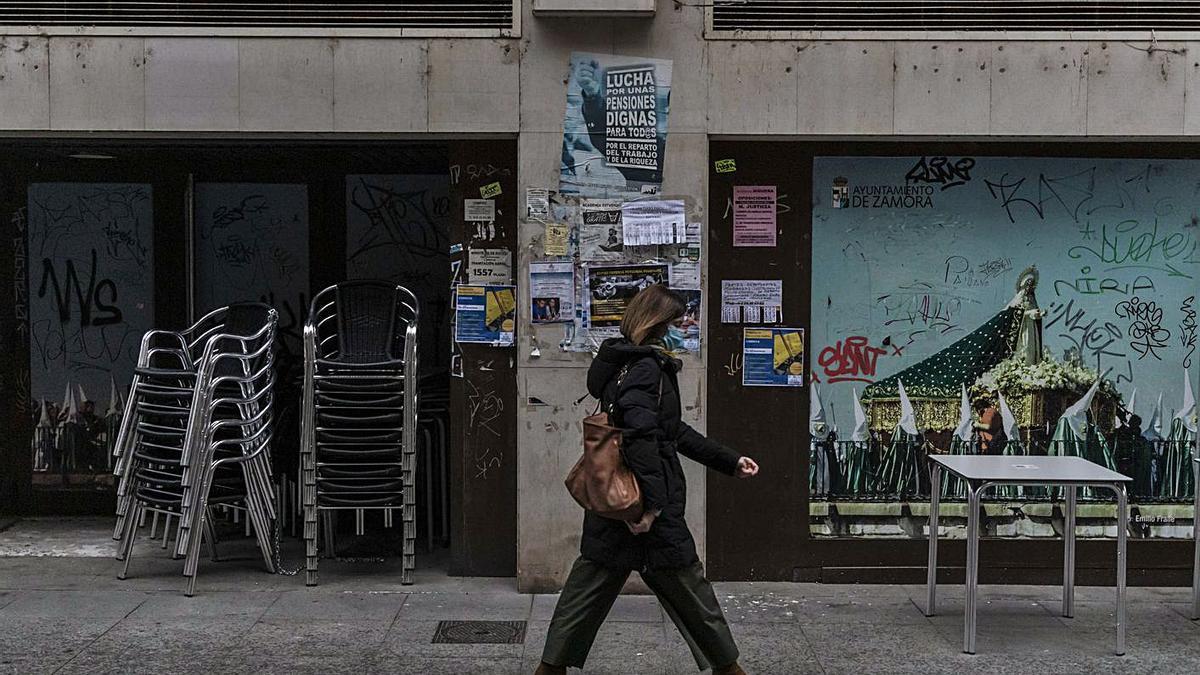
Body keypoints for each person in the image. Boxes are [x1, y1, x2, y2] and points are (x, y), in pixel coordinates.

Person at [536, 285, 759, 675]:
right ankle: (730, 670)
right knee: (689, 585)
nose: (687, 325)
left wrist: (728, 460)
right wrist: (652, 507)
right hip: (643, 501)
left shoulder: (627, 364)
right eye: (680, 320)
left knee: (589, 587)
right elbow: (641, 439)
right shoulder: (646, 369)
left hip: (618, 498)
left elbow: (669, 430)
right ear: (658, 324)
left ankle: (549, 670)